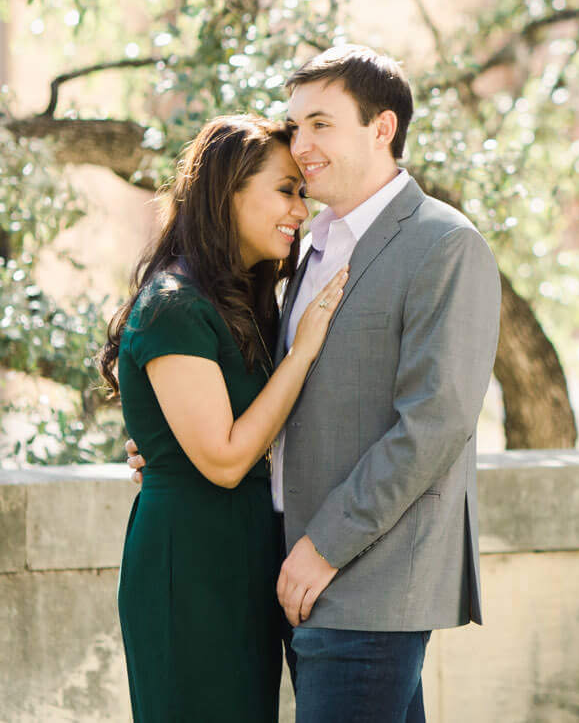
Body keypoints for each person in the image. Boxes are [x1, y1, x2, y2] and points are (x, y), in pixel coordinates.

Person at [270, 44, 501, 723]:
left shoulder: (444, 244)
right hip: (296, 567)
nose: (299, 144)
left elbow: (435, 420)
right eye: (293, 126)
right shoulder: (307, 243)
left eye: (320, 124)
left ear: (382, 128)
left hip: (367, 570)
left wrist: (325, 544)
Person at [101, 115, 350, 723]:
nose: (301, 208)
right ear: (227, 192)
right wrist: (305, 349)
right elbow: (226, 459)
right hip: (188, 564)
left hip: (242, 558)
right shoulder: (173, 304)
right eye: (286, 189)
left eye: (303, 191)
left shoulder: (243, 300)